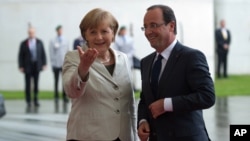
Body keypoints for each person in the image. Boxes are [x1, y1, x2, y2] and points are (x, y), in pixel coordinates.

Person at [137, 4, 215, 141]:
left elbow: (207, 96)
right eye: (145, 27)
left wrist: (167, 104)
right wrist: (143, 120)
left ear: (171, 26)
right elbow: (145, 99)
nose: (148, 32)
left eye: (153, 25)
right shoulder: (146, 62)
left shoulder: (191, 57)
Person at [62, 8, 137, 141]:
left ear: (113, 34)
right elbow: (72, 91)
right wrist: (83, 68)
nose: (99, 37)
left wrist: (134, 135)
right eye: (93, 32)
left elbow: (129, 102)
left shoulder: (123, 58)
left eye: (104, 31)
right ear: (85, 35)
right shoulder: (73, 58)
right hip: (88, 136)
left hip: (123, 136)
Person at [18, 27, 47, 108]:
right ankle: (28, 100)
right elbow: (20, 55)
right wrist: (21, 66)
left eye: (33, 33)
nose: (31, 34)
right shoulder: (24, 43)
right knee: (27, 84)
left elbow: (43, 53)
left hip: (36, 65)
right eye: (30, 33)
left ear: (35, 33)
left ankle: (36, 99)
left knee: (36, 84)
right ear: (28, 33)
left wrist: (44, 63)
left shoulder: (39, 42)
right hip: (27, 66)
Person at [49, 25, 69, 109]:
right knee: (56, 81)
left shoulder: (66, 40)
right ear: (57, 31)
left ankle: (64, 96)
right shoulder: (53, 41)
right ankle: (56, 96)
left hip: (63, 63)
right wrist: (52, 63)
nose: (60, 31)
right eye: (59, 30)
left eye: (61, 30)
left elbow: (68, 51)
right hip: (56, 64)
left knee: (64, 81)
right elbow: (51, 52)